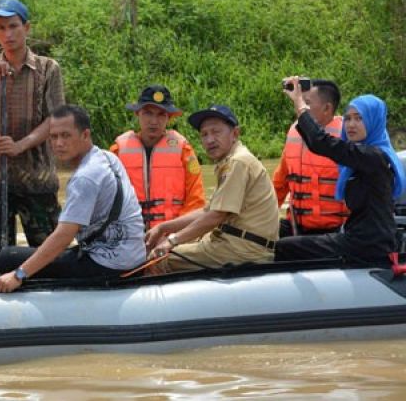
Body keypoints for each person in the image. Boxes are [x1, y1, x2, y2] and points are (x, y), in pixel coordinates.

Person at [0, 105, 146, 293]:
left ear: (85, 135)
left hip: (109, 265)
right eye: (54, 137)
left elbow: (64, 236)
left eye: (66, 135)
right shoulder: (108, 157)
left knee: (7, 258)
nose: (58, 143)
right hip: (132, 256)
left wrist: (18, 275)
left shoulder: (85, 177)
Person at [0, 0, 65, 280]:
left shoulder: (48, 68)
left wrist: (21, 145)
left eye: (13, 26)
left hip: (37, 179)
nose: (8, 34)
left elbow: (56, 119)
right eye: (1, 28)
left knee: (49, 257)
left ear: (26, 28)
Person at [275, 77, 406, 267]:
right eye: (348, 118)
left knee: (284, 247)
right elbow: (319, 144)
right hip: (358, 237)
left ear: (374, 121)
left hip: (367, 245)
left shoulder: (373, 157)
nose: (351, 125)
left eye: (359, 119)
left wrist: (299, 104)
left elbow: (322, 143)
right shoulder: (362, 155)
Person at [145, 105, 279, 273]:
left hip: (243, 250)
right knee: (176, 244)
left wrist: (172, 241)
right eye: (204, 134)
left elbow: (216, 216)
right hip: (233, 243)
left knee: (158, 259)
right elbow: (208, 211)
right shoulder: (230, 161)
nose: (209, 140)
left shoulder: (238, 162)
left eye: (216, 132)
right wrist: (164, 228)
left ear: (235, 134)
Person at [111, 84, 205, 228]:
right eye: (148, 113)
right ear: (138, 114)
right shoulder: (117, 151)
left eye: (161, 114)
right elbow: (104, 198)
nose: (154, 121)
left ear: (169, 117)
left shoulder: (184, 151)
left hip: (171, 236)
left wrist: (173, 234)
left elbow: (196, 200)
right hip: (128, 235)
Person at [272, 79, 349, 237]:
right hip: (297, 227)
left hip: (338, 232)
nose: (300, 107)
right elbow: (279, 186)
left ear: (327, 108)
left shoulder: (347, 135)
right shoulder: (294, 131)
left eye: (306, 102)